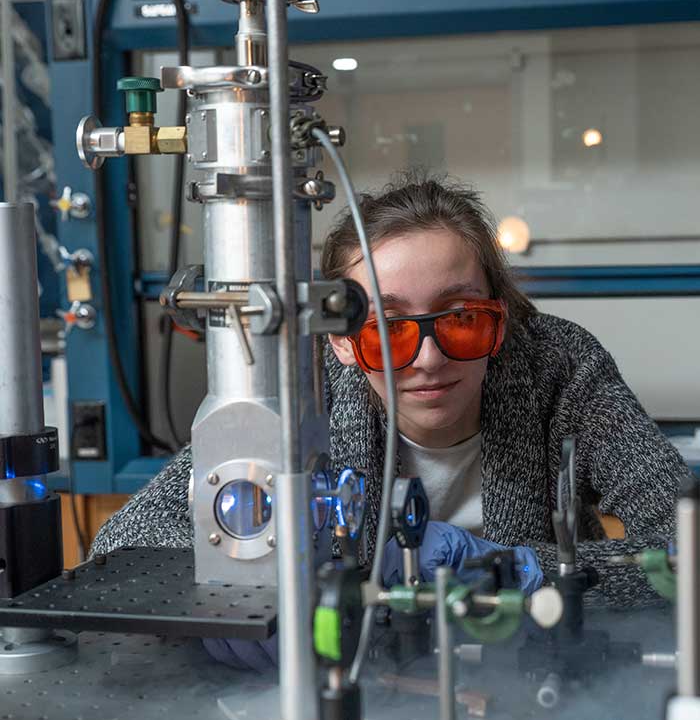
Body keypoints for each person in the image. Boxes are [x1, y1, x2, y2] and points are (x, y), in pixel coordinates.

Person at [92, 173, 690, 628]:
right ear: (342, 343)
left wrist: (528, 572)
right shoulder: (305, 390)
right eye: (387, 327)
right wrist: (259, 591)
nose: (429, 358)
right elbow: (123, 544)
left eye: (460, 318)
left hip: (537, 657)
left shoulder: (561, 365)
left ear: (501, 318)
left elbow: (687, 547)